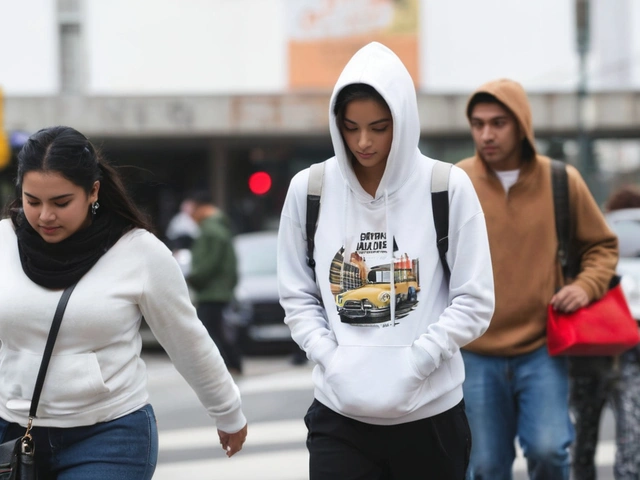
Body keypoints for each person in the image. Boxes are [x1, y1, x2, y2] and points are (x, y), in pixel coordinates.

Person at [277, 41, 495, 480]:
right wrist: (332, 360)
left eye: (379, 127)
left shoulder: (446, 186)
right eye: (351, 126)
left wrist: (417, 363)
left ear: (404, 121)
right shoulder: (311, 188)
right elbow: (297, 295)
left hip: (430, 418)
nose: (363, 142)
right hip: (340, 415)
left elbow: (474, 301)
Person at [0, 126, 248, 479]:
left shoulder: (137, 252)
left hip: (109, 435)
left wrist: (227, 410)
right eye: (32, 201)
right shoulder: (3, 243)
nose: (45, 216)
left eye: (61, 202)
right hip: (13, 432)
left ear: (93, 192)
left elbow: (186, 337)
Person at [456, 78, 618, 480]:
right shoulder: (455, 182)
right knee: (487, 466)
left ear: (522, 125)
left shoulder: (561, 180)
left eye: (498, 123)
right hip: (474, 352)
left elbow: (602, 246)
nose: (486, 134)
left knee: (549, 452)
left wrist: (584, 287)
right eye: (477, 124)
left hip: (542, 348)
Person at [570, 184, 640, 480]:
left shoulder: (598, 239)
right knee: (631, 439)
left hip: (591, 342)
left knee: (583, 438)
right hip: (633, 346)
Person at [185, 190, 243, 375]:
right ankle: (232, 364)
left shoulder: (211, 231)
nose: (191, 214)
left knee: (208, 332)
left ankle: (224, 366)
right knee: (216, 331)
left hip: (213, 291)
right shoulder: (218, 228)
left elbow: (207, 264)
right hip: (218, 290)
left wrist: (194, 277)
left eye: (193, 209)